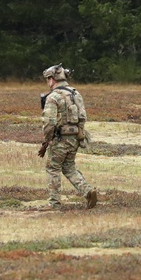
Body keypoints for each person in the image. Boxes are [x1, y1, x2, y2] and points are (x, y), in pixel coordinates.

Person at [38, 65, 98, 210]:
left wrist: (47, 140)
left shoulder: (53, 97)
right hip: (74, 138)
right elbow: (82, 116)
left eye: (48, 79)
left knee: (53, 168)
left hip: (59, 139)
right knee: (69, 167)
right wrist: (80, 134)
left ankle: (54, 203)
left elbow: (49, 122)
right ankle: (87, 191)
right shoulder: (75, 93)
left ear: (52, 79)